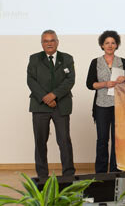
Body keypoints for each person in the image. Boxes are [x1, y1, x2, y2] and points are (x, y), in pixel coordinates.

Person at [27, 29, 75, 178]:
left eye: (52, 40)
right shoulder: (34, 59)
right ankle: (42, 176)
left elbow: (70, 80)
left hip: (61, 106)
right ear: (42, 43)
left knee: (64, 142)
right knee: (40, 142)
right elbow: (31, 80)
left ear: (57, 42)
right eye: (46, 41)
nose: (49, 43)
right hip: (40, 106)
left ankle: (68, 176)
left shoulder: (67, 58)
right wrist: (45, 97)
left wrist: (54, 95)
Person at [86, 30, 125, 173]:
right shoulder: (96, 62)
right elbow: (89, 84)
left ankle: (115, 172)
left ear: (117, 45)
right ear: (102, 45)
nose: (110, 45)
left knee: (117, 142)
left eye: (113, 43)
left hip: (119, 106)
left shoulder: (122, 61)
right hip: (101, 106)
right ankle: (100, 173)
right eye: (107, 43)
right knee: (102, 140)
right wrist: (105, 84)